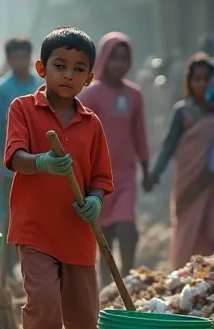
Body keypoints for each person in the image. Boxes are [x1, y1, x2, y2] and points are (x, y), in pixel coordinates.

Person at [4, 26, 114, 329]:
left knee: (85, 319)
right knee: (44, 303)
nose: (68, 74)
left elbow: (102, 177)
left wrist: (95, 201)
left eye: (79, 68)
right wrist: (42, 163)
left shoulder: (93, 124)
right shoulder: (23, 109)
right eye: (60, 65)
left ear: (90, 78)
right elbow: (14, 156)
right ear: (42, 68)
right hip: (35, 231)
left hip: (79, 234)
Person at [79, 32, 151, 284]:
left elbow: (139, 133)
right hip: (97, 174)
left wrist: (146, 167)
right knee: (105, 232)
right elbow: (81, 133)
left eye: (124, 59)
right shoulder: (90, 95)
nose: (119, 65)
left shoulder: (135, 95)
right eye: (114, 59)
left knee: (127, 227)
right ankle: (108, 287)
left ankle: (129, 276)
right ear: (104, 59)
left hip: (126, 173)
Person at [148, 53, 214, 267]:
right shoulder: (182, 111)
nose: (202, 84)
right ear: (189, 81)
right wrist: (155, 173)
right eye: (197, 79)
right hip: (188, 181)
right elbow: (169, 145)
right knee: (187, 222)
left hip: (210, 181)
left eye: (207, 78)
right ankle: (184, 272)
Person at [0, 37, 43, 274]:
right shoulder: (1, 90)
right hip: (10, 164)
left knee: (37, 215)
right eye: (15, 57)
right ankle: (7, 269)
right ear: (9, 60)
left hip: (40, 163)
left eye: (24, 57)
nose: (20, 62)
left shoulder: (40, 87)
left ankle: (34, 266)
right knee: (11, 218)